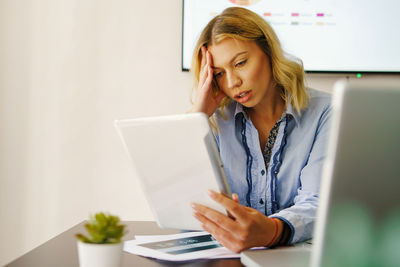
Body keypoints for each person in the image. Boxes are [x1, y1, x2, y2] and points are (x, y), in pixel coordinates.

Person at [188, 7, 331, 253]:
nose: (232, 82)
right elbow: (185, 202)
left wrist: (272, 230)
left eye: (241, 63)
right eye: (219, 74)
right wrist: (198, 115)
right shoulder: (215, 121)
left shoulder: (326, 112)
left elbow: (320, 202)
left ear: (269, 51)